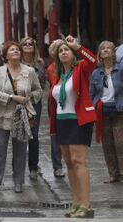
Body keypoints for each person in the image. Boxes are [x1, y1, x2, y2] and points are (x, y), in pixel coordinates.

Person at [48, 36, 97, 218]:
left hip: (79, 120)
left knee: (78, 161)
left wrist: (78, 47)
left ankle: (86, 204)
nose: (63, 52)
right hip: (62, 121)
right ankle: (76, 203)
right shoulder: (56, 75)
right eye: (60, 51)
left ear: (73, 53)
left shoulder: (81, 68)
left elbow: (94, 61)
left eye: (66, 49)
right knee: (68, 163)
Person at [0, 41, 42, 194]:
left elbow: (38, 90)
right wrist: (13, 97)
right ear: (6, 55)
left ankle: (18, 181)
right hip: (2, 114)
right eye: (12, 50)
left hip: (22, 115)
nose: (16, 52)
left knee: (20, 150)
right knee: (0, 150)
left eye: (17, 50)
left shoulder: (30, 71)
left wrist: (29, 98)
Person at [90, 41, 123, 184]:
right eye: (103, 48)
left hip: (119, 109)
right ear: (99, 54)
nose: (106, 50)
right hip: (102, 111)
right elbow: (91, 94)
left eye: (109, 48)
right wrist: (93, 106)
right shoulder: (96, 73)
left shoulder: (120, 69)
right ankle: (113, 174)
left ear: (113, 52)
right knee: (107, 143)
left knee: (120, 142)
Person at [19, 37, 46, 180]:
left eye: (31, 44)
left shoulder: (40, 64)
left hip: (35, 102)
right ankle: (19, 167)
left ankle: (33, 166)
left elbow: (43, 85)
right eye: (25, 44)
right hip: (18, 103)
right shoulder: (17, 63)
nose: (28, 46)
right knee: (20, 135)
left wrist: (33, 96)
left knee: (34, 135)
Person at [46, 39, 65, 178]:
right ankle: (57, 165)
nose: (62, 52)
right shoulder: (51, 68)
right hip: (55, 103)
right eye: (58, 49)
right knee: (55, 135)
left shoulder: (75, 66)